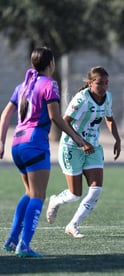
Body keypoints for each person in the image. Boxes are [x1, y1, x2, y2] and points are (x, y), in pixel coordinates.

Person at [0, 47, 91, 257]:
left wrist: (1, 142)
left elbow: (5, 114)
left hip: (17, 145)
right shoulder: (50, 84)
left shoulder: (22, 86)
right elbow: (55, 117)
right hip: (35, 144)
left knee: (29, 193)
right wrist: (77, 137)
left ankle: (13, 240)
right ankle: (24, 246)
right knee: (38, 196)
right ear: (51, 64)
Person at [45, 66, 121, 238]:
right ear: (90, 83)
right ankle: (55, 200)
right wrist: (81, 141)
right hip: (72, 147)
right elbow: (64, 122)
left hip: (93, 147)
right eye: (100, 83)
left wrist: (117, 138)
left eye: (106, 83)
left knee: (96, 190)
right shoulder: (81, 99)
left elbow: (109, 118)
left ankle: (73, 225)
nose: (104, 87)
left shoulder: (107, 97)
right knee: (75, 194)